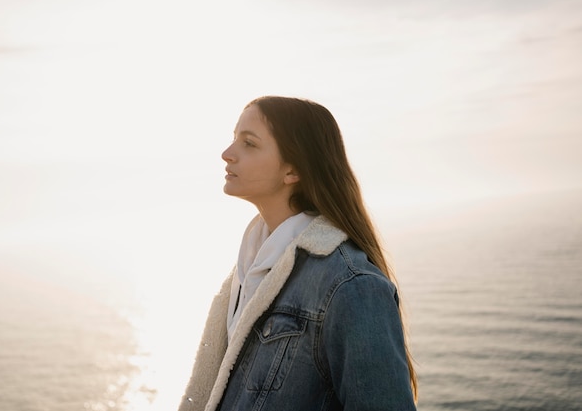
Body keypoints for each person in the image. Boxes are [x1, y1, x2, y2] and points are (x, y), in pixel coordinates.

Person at [178, 96, 418, 411]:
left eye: (248, 143)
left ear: (292, 171)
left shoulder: (352, 287)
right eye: (234, 139)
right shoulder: (247, 271)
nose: (227, 154)